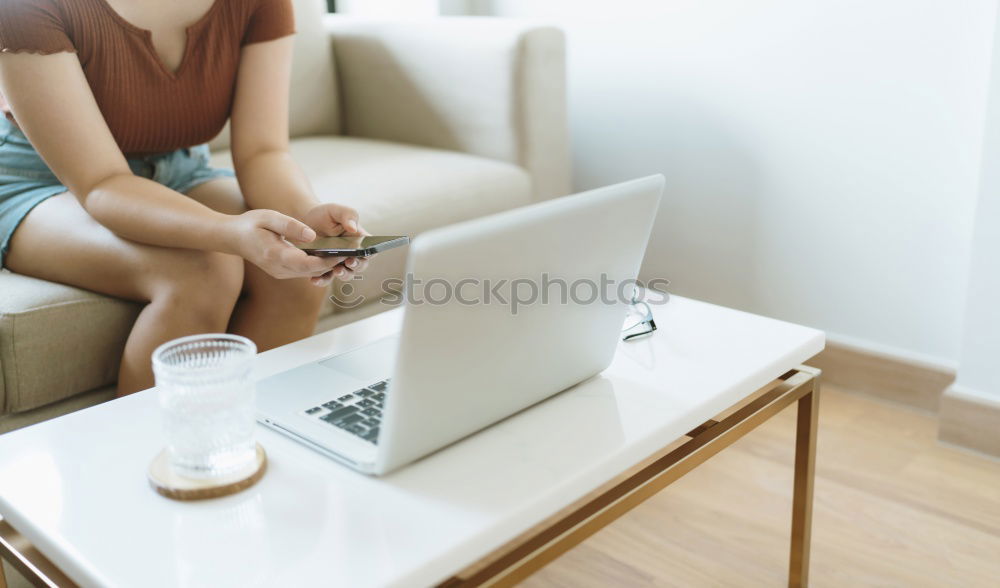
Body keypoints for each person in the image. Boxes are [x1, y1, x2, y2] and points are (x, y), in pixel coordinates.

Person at [0, 0, 369, 395]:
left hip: (178, 169)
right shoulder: (26, 8)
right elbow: (102, 183)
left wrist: (305, 218)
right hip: (43, 182)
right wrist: (226, 231)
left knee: (298, 269)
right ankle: (151, 452)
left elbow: (263, 151)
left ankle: (266, 438)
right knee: (206, 271)